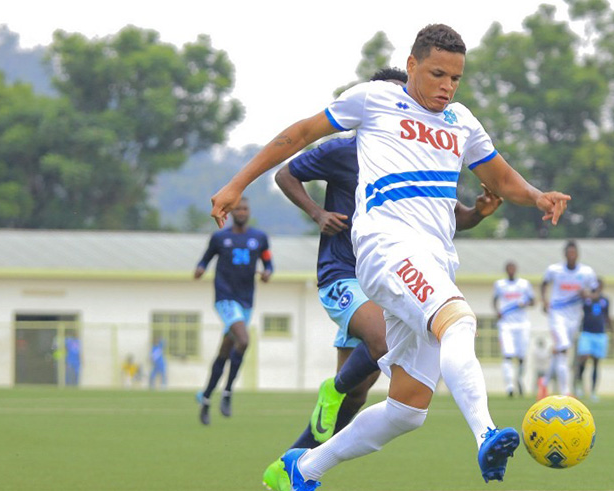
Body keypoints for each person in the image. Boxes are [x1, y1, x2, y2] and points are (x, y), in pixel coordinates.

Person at [210, 24, 570, 489]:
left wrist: (538, 197)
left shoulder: (461, 121)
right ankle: (485, 435)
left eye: (456, 78)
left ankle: (302, 469)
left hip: (434, 260)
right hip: (386, 246)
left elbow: (500, 179)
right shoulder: (376, 99)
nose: (447, 86)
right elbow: (300, 133)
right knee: (458, 321)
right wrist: (237, 184)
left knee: (407, 409)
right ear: (412, 66)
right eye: (438, 73)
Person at [262, 67, 503, 490]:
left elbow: (455, 218)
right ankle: (335, 390)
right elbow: (287, 171)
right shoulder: (343, 150)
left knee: (394, 406)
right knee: (385, 342)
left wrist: (481, 211)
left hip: (404, 277)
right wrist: (317, 213)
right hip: (345, 273)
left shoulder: (421, 151)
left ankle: (295, 466)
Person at [195, 197, 273, 425]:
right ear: (230, 212)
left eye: (245, 208)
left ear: (249, 212)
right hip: (225, 298)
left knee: (225, 351)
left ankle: (207, 397)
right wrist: (200, 269)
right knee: (244, 339)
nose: (242, 212)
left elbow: (268, 263)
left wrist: (268, 272)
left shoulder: (259, 238)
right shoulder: (220, 237)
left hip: (246, 300)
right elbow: (205, 259)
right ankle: (228, 392)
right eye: (238, 208)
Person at [540, 240, 598, 397]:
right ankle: (566, 391)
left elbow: (596, 293)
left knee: (561, 351)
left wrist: (588, 295)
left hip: (575, 316)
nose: (571, 255)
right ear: (565, 254)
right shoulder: (555, 270)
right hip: (557, 314)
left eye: (574, 253)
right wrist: (544, 301)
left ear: (578, 254)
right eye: (569, 253)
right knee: (564, 348)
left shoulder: (586, 272)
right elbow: (544, 284)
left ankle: (544, 382)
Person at [492, 261, 535, 397]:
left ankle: (519, 379)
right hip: (506, 325)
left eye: (513, 268)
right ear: (506, 270)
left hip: (522, 325)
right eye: (508, 268)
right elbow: (494, 300)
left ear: (516, 269)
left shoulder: (524, 284)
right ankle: (510, 386)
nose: (511, 270)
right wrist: (497, 311)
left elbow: (533, 301)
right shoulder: (500, 284)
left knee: (522, 356)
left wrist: (525, 303)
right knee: (508, 355)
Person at [574, 277, 613, 401]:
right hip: (587, 333)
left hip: (600, 334)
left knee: (596, 363)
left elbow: (607, 316)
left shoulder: (605, 300)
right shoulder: (586, 299)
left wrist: (612, 332)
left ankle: (593, 391)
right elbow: (579, 295)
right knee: (583, 358)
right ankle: (579, 386)